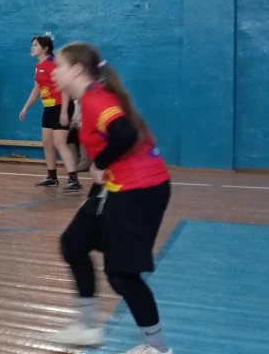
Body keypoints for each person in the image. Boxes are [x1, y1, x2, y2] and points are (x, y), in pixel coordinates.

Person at [50, 42, 173, 354]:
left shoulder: (96, 99)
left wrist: (99, 164)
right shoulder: (88, 99)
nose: (53, 72)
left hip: (142, 190)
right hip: (116, 187)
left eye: (59, 66)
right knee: (73, 243)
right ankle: (87, 327)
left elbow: (125, 133)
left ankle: (157, 348)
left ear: (76, 70)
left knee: (121, 274)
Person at [18, 35, 82, 191]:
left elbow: (65, 87)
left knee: (60, 142)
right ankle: (52, 177)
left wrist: (64, 112)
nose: (32, 47)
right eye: (32, 44)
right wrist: (26, 107)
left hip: (61, 106)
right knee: (47, 142)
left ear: (45, 48)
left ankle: (74, 179)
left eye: (36, 45)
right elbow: (37, 89)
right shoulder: (38, 66)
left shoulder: (53, 64)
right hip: (49, 107)